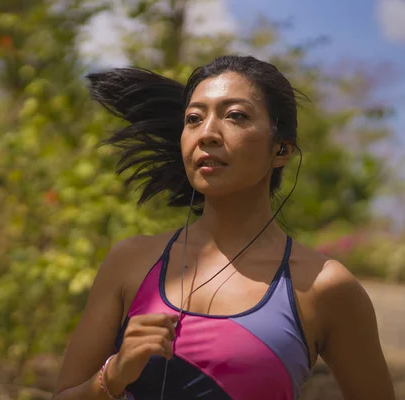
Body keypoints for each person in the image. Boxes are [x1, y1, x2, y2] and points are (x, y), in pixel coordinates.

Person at [51, 55, 395, 400]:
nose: (207, 134)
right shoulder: (130, 262)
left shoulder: (323, 287)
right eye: (193, 119)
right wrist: (113, 376)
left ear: (281, 149)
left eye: (235, 116)